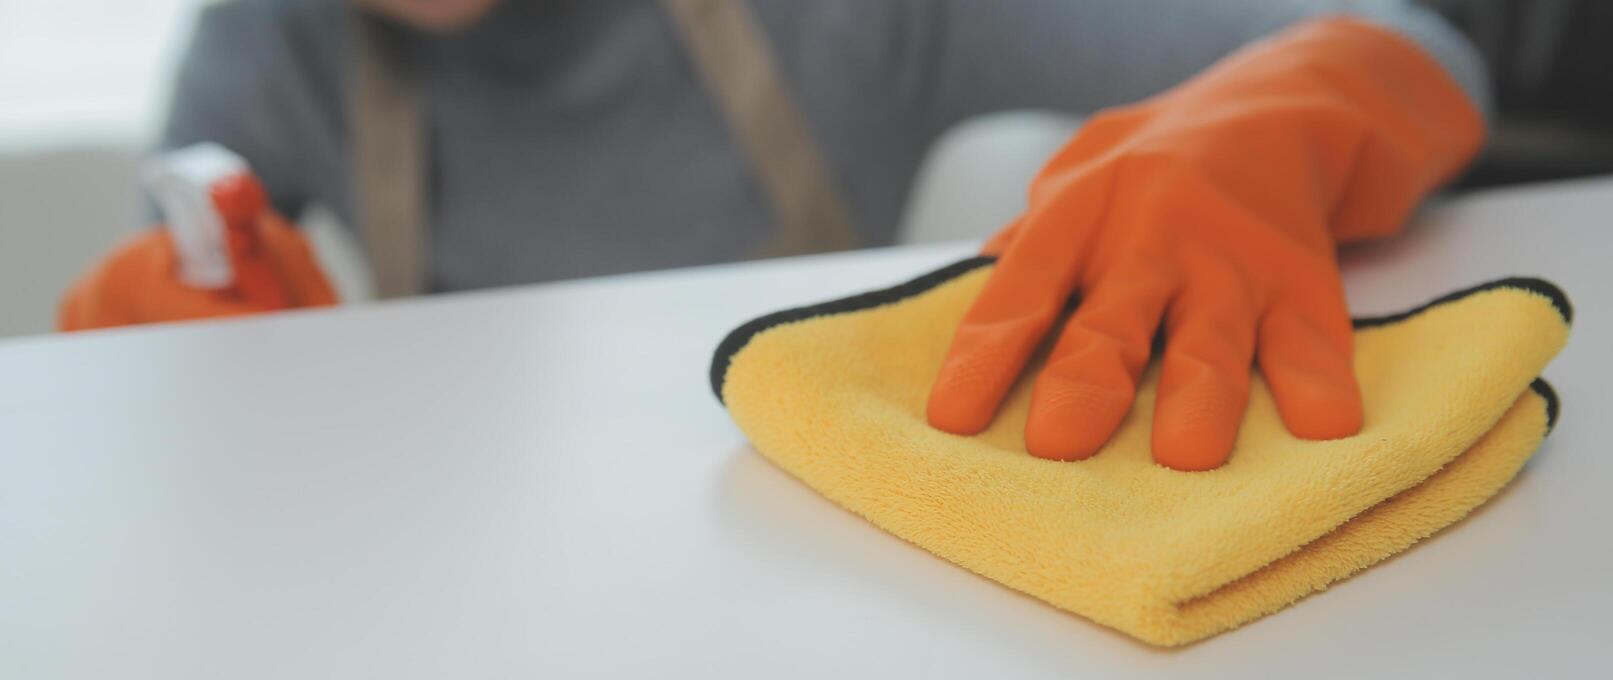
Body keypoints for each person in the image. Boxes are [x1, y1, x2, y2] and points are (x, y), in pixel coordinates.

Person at [59, 0, 1490, 469]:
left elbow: (1414, 38)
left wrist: (1270, 126)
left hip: (813, 561)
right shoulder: (270, 45)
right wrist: (180, 360)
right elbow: (182, 273)